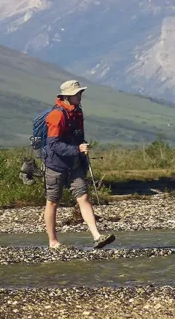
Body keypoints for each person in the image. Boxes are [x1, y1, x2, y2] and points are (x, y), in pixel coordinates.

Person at [43, 79, 115, 250]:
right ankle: (53, 242)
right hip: (56, 165)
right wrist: (77, 149)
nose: (80, 95)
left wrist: (81, 148)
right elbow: (53, 144)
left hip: (74, 163)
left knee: (83, 197)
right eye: (77, 93)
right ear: (67, 96)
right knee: (52, 202)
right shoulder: (57, 115)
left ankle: (97, 236)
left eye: (80, 92)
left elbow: (78, 136)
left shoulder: (78, 112)